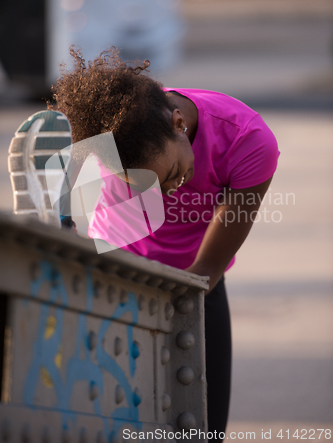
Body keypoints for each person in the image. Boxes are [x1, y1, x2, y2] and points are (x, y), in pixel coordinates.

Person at [9, 47, 279, 440]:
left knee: (202, 431)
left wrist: (179, 297)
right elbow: (107, 233)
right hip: (118, 265)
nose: (169, 191)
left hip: (197, 284)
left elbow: (207, 272)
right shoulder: (119, 136)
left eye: (171, 174)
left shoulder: (248, 141)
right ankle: (60, 226)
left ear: (179, 123)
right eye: (148, 184)